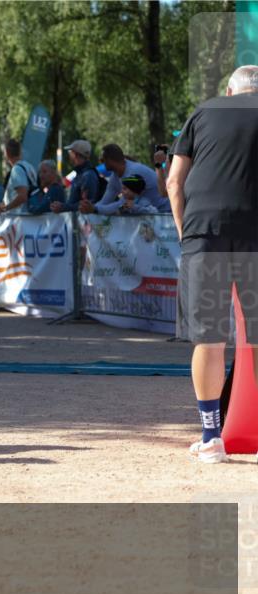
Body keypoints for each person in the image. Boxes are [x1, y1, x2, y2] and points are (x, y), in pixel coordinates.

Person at [167, 64, 258, 463]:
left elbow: (173, 182)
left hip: (204, 230)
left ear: (229, 89)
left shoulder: (202, 112)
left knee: (210, 337)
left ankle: (211, 438)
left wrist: (186, 233)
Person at [82, 143, 167, 214]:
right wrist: (89, 207)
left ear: (110, 160)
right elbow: (105, 201)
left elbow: (122, 205)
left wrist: (95, 209)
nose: (101, 163)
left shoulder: (133, 172)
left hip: (165, 215)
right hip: (152, 215)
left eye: (103, 160)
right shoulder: (115, 175)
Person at [0, 138, 36, 216]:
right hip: (24, 217)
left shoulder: (16, 170)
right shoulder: (29, 166)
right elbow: (13, 197)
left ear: (7, 153)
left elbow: (23, 196)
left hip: (20, 218)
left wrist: (5, 209)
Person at [50, 140, 99, 213]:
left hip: (84, 223)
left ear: (75, 154)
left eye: (70, 152)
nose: (69, 155)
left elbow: (86, 204)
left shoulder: (87, 175)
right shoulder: (80, 174)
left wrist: (63, 207)